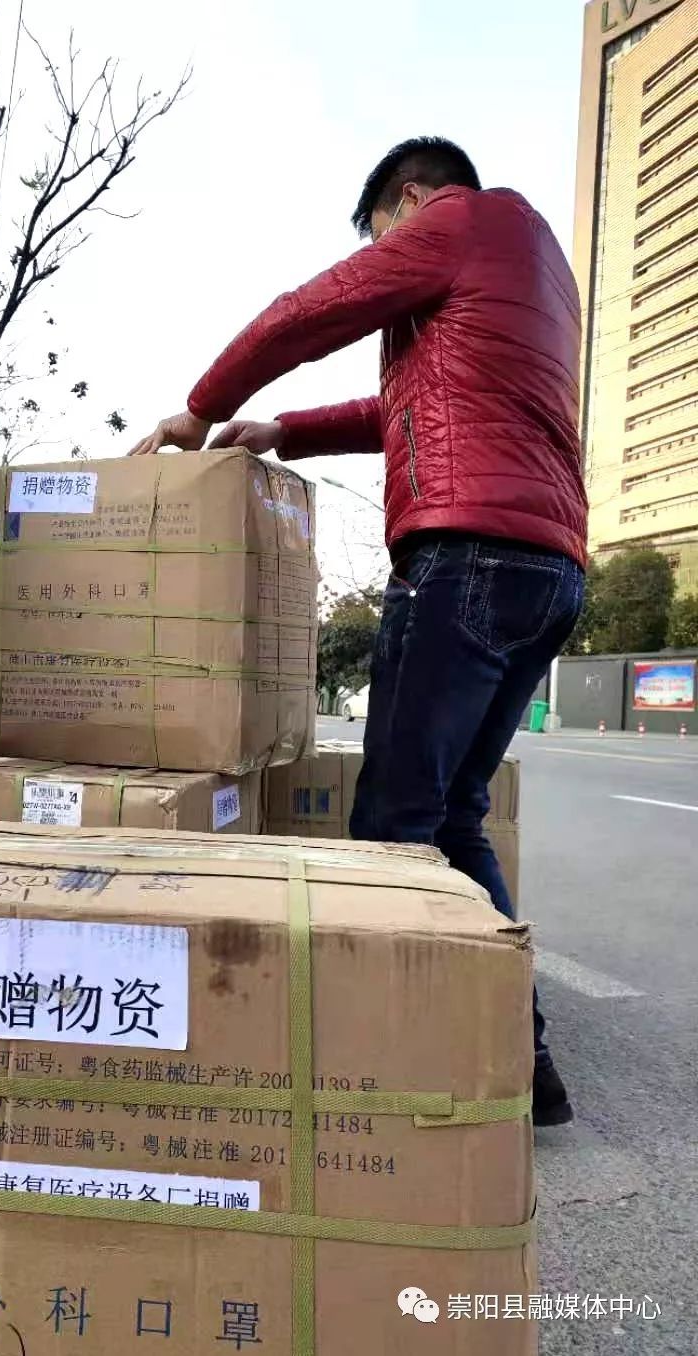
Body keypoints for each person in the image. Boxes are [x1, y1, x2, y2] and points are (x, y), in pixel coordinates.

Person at [129, 136, 588, 1127]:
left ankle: (399, 1071)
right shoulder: (537, 268)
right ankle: (527, 1063)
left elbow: (312, 311)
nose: (384, 253)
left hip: (466, 559)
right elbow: (410, 406)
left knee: (393, 825)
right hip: (549, 569)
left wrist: (203, 410)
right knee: (454, 814)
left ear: (410, 201)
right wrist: (286, 431)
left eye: (382, 233)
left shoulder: (460, 221)